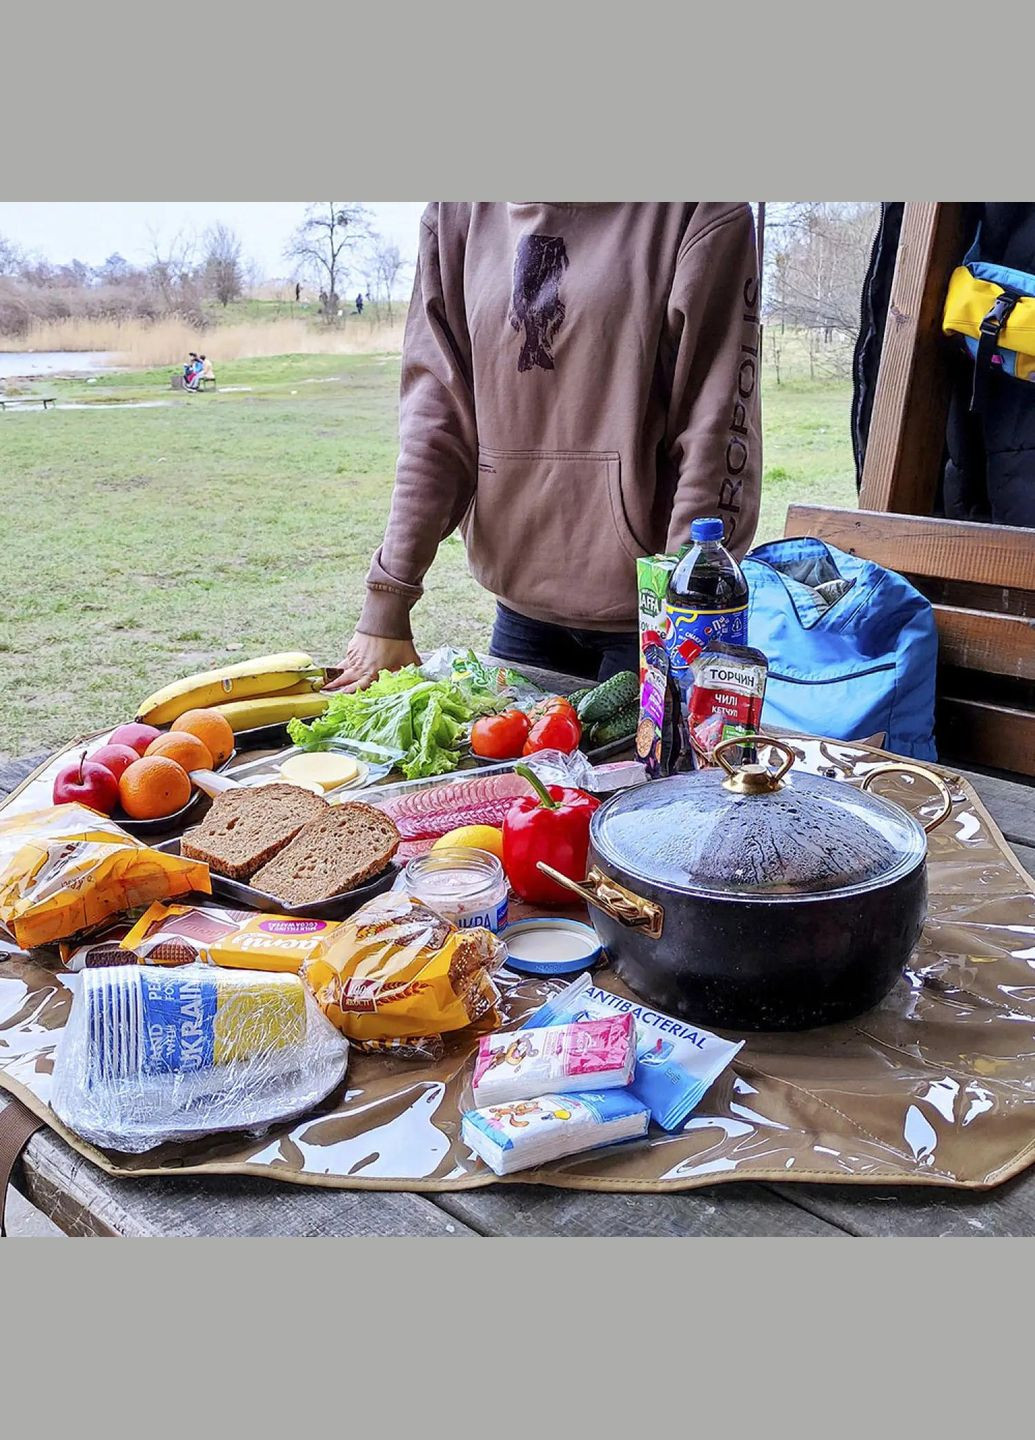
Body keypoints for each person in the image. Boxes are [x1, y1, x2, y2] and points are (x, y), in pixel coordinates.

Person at [327, 202, 761, 694]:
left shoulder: (699, 208)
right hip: (520, 614)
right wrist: (389, 600)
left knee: (649, 774)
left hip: (653, 624)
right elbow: (436, 420)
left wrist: (691, 610)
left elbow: (715, 425)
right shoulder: (456, 212)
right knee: (515, 769)